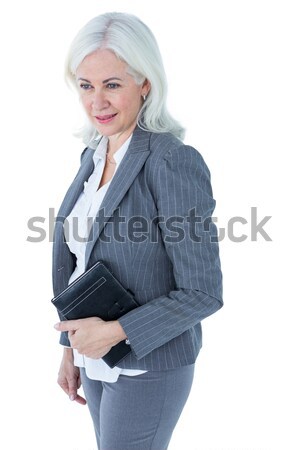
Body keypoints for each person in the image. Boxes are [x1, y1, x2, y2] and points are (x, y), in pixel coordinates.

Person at [53, 11, 223, 450]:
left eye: (112, 85)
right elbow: (79, 264)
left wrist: (113, 332)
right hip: (94, 361)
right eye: (86, 86)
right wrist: (69, 350)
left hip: (150, 364)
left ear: (144, 83)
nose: (97, 102)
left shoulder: (171, 162)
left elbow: (203, 291)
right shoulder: (91, 157)